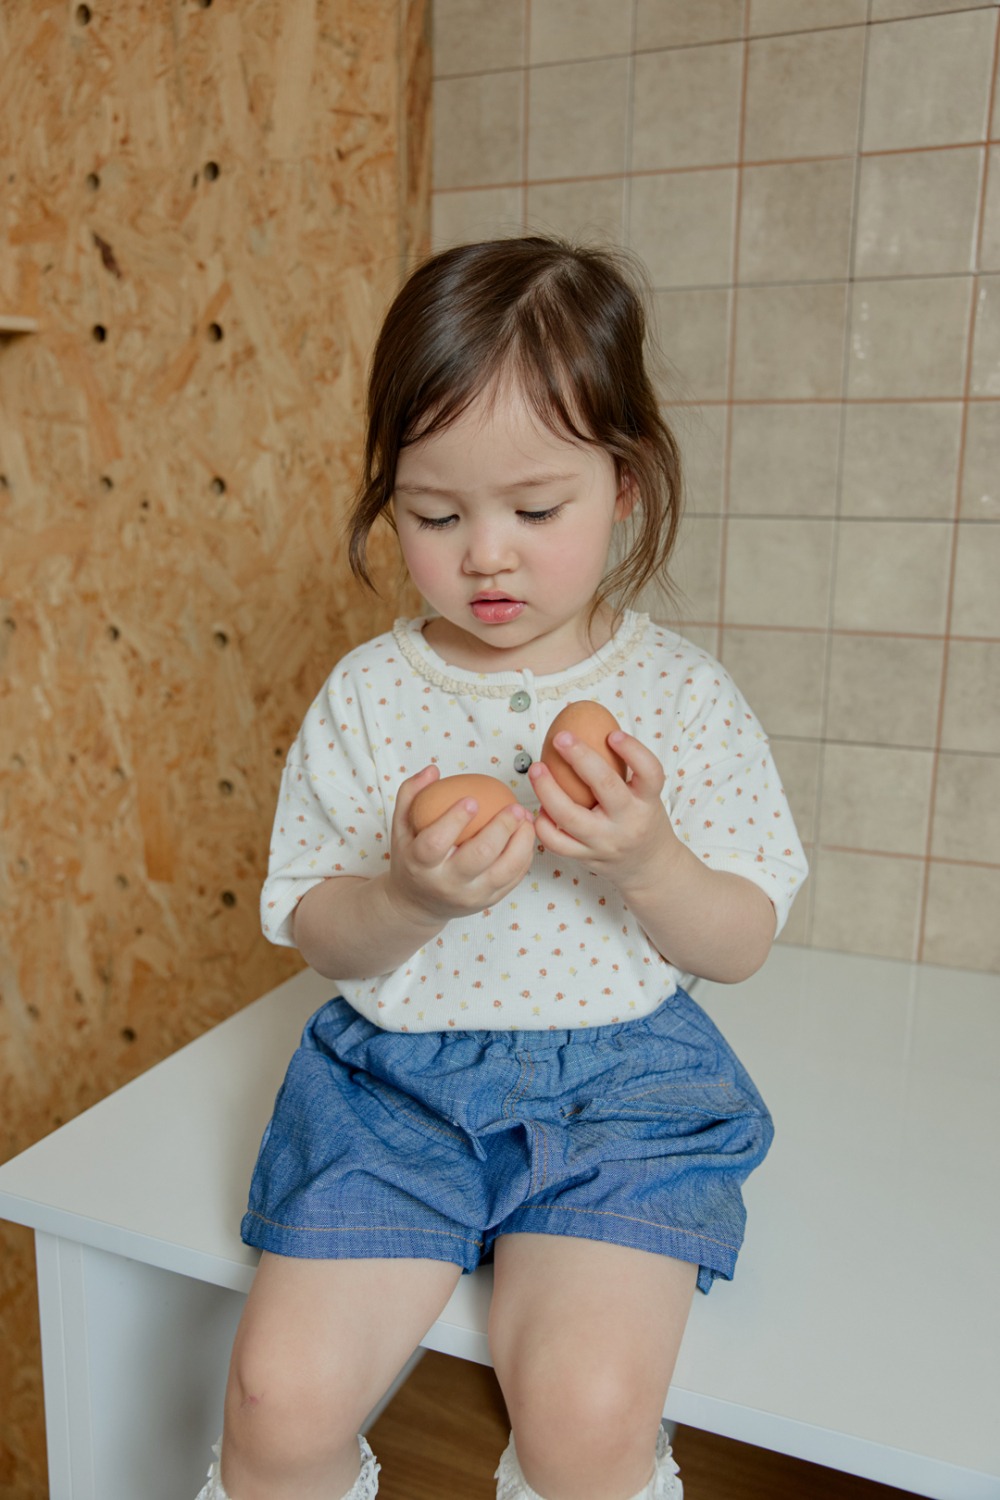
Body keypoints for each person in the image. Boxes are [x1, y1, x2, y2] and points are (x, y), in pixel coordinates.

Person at [195, 236, 808, 1500]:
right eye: (436, 514)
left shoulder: (682, 696)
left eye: (534, 511)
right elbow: (319, 933)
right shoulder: (369, 697)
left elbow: (738, 943)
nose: (485, 554)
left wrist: (648, 857)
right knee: (273, 1402)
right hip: (395, 1094)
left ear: (624, 485)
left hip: (623, 1097)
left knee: (585, 1420)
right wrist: (406, 896)